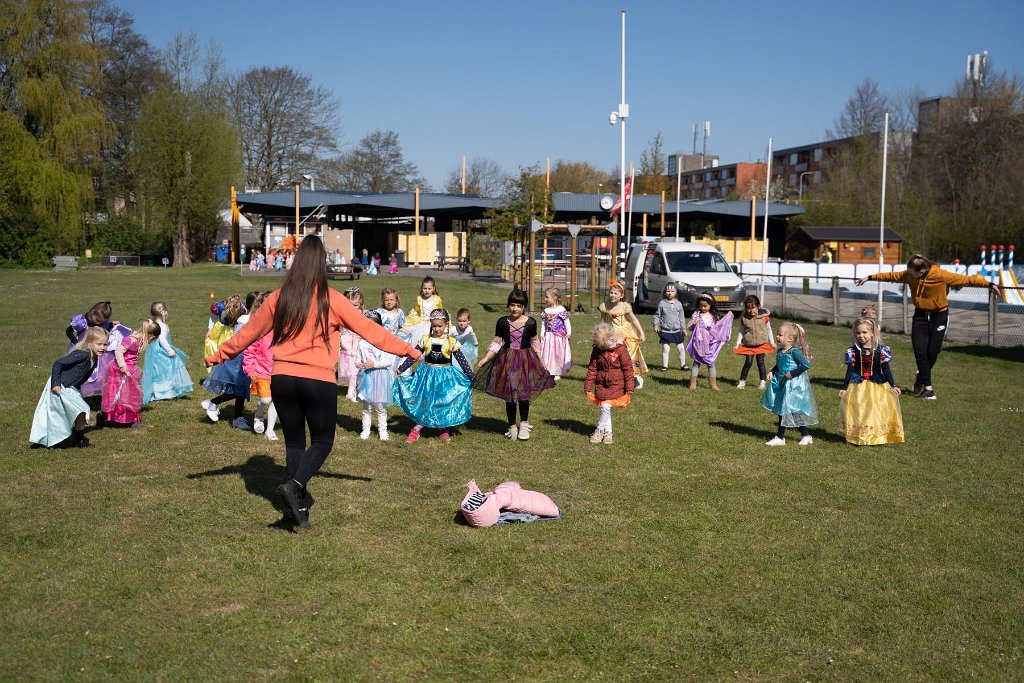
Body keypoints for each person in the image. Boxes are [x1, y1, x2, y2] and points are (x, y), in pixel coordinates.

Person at [206, 235, 420, 529]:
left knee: (295, 444)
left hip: (281, 378)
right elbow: (371, 330)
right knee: (322, 441)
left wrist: (219, 355)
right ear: (321, 264)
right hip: (316, 380)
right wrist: (408, 349)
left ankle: (296, 509)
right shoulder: (331, 299)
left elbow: (249, 332)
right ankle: (294, 487)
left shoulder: (281, 297)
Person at [856, 254, 999, 399]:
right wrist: (870, 277)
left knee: (933, 351)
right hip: (921, 315)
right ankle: (928, 389)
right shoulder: (909, 275)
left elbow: (967, 280)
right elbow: (891, 276)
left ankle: (921, 376)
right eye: (909, 272)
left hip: (939, 314)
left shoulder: (941, 275)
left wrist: (990, 285)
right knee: (919, 350)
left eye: (913, 273)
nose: (910, 275)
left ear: (923, 270)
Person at [475, 288, 555, 441]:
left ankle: (524, 424)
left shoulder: (531, 322)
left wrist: (542, 359)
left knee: (524, 393)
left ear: (524, 306)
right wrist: (486, 357)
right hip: (507, 360)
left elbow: (535, 341)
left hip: (526, 360)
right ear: (508, 305)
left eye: (519, 305)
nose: (515, 308)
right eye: (512, 305)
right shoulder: (502, 322)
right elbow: (497, 341)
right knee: (510, 394)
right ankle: (512, 426)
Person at [393, 309, 475, 443]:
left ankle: (442, 428)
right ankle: (417, 429)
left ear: (447, 325)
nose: (437, 329)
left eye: (440, 326)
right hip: (426, 377)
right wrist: (401, 368)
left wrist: (470, 375)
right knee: (425, 402)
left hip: (444, 378)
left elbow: (462, 360)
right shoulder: (425, 340)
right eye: (434, 326)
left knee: (441, 402)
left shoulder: (451, 342)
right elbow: (413, 356)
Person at [30, 327, 109, 448]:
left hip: (69, 386)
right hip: (60, 385)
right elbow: (58, 363)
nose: (102, 347)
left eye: (105, 344)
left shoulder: (94, 357)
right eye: (99, 344)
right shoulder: (83, 354)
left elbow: (82, 375)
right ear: (89, 342)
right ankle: (56, 440)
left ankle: (78, 438)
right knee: (61, 413)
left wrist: (77, 390)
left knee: (76, 411)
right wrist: (56, 383)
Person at [838, 317, 904, 446]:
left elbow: (886, 369)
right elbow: (850, 370)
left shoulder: (881, 350)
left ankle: (874, 436)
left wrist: (893, 385)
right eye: (858, 333)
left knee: (875, 410)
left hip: (877, 385)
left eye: (864, 332)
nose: (861, 335)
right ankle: (859, 436)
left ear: (872, 332)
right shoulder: (853, 351)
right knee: (860, 410)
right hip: (859, 386)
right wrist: (844, 387)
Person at [760, 322, 819, 446]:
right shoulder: (780, 351)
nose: (777, 337)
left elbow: (805, 365)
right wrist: (772, 371)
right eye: (777, 334)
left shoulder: (794, 352)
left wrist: (792, 373)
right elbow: (779, 364)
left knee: (790, 410)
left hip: (793, 385)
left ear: (790, 338)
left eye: (780, 335)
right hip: (782, 384)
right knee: (785, 410)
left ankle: (784, 437)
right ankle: (803, 435)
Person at [201, 292, 254, 427]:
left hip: (240, 360)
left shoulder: (244, 319)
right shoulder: (244, 322)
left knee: (240, 390)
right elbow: (237, 344)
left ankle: (238, 417)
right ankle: (213, 403)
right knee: (238, 390)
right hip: (237, 361)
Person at [583, 322, 635, 445]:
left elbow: (628, 369)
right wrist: (588, 385)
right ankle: (608, 433)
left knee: (605, 406)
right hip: (601, 384)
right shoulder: (596, 350)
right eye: (600, 347)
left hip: (617, 384)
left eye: (604, 347)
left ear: (611, 339)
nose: (603, 349)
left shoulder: (621, 350)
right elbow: (592, 369)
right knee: (605, 408)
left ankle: (599, 430)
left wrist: (630, 387)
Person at [102, 320, 160, 428]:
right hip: (121, 371)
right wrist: (122, 366)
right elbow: (118, 351)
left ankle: (129, 418)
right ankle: (110, 416)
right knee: (120, 394)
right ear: (151, 336)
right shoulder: (131, 340)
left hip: (130, 371)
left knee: (130, 395)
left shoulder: (139, 340)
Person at [241, 292, 278, 441]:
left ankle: (270, 430)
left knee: (276, 401)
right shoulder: (258, 327)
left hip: (279, 370)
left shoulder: (284, 326)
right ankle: (258, 413)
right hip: (261, 370)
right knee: (266, 400)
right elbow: (249, 350)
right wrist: (249, 369)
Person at [356, 311, 397, 441]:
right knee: (366, 405)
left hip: (380, 377)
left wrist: (375, 364)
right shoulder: (361, 342)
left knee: (380, 405)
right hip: (366, 377)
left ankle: (382, 430)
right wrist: (359, 364)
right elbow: (357, 358)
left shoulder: (384, 341)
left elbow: (389, 361)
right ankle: (365, 429)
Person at [599, 281, 648, 388]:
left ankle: (636, 377)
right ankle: (618, 379)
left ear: (621, 295)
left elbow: (634, 319)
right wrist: (602, 333)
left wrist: (641, 333)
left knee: (629, 355)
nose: (612, 295)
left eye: (615, 293)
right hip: (612, 334)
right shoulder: (605, 306)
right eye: (611, 293)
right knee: (614, 357)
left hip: (626, 334)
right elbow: (603, 321)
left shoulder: (625, 306)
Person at [143, 301, 193, 404]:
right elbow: (162, 339)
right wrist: (170, 351)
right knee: (166, 371)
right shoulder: (162, 326)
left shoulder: (152, 323)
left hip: (154, 352)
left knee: (156, 372)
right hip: (162, 353)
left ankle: (155, 390)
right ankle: (164, 392)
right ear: (164, 312)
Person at [686, 292, 734, 390]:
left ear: (710, 305)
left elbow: (718, 328)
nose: (703, 308)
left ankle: (713, 384)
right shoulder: (696, 314)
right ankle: (693, 383)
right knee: (696, 363)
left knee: (711, 364)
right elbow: (690, 328)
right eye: (701, 306)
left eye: (705, 306)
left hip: (710, 343)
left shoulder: (714, 316)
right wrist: (693, 324)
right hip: (699, 343)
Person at [733, 295, 775, 389]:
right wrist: (737, 343)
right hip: (749, 345)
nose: (751, 310)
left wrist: (772, 342)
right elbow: (741, 331)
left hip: (761, 344)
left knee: (760, 362)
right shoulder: (744, 318)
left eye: (753, 308)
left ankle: (762, 382)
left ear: (758, 306)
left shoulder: (764, 317)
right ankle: (742, 381)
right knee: (748, 362)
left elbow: (769, 330)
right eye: (748, 308)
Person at [204, 295, 244, 375]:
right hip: (221, 330)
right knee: (217, 349)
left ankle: (228, 373)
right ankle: (216, 372)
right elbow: (213, 317)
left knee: (230, 352)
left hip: (233, 330)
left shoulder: (241, 308)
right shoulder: (220, 306)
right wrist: (209, 330)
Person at [539, 286, 572, 381]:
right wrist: (542, 334)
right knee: (548, 353)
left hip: (558, 337)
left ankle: (558, 371)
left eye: (547, 297)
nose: (545, 299)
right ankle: (548, 370)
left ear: (554, 298)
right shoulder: (546, 311)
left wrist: (568, 333)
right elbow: (543, 324)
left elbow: (566, 322)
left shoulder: (561, 310)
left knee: (558, 354)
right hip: (548, 336)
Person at [653, 283, 688, 372]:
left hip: (676, 331)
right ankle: (665, 366)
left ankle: (683, 365)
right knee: (665, 349)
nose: (670, 293)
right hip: (665, 331)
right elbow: (657, 315)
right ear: (665, 292)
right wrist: (656, 325)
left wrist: (683, 328)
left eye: (672, 291)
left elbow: (681, 317)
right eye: (668, 291)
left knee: (681, 348)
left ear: (676, 292)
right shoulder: (662, 303)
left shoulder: (679, 304)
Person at [337, 287, 364, 402]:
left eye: (356, 305)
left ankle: (351, 393)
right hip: (346, 346)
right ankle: (352, 390)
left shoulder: (363, 314)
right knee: (349, 372)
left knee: (355, 371)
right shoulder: (342, 314)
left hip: (357, 346)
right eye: (351, 305)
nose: (353, 308)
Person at [400, 276, 442, 343]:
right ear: (422, 288)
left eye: (429, 289)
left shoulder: (437, 299)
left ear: (433, 289)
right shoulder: (419, 299)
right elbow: (417, 311)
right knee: (419, 340)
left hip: (433, 323)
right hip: (421, 323)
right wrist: (412, 316)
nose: (427, 291)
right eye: (425, 288)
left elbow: (440, 310)